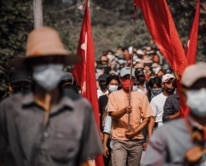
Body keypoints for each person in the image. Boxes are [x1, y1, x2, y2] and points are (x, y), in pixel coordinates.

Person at [0, 26, 102, 166]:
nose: (48, 66)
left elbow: (84, 161)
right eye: (41, 61)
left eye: (54, 61)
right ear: (30, 67)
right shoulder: (9, 109)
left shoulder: (80, 109)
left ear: (62, 64)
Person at [107, 67, 154, 166]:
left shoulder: (141, 96)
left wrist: (135, 132)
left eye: (130, 78)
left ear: (134, 80)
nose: (128, 81)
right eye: (125, 78)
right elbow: (113, 115)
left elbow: (147, 118)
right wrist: (124, 111)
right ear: (120, 80)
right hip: (119, 140)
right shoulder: (114, 95)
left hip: (137, 140)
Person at [99, 74, 120, 166]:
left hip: (117, 130)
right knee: (106, 157)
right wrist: (100, 131)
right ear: (107, 85)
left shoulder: (121, 98)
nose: (114, 86)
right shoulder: (102, 99)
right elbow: (99, 114)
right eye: (112, 84)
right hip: (105, 131)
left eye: (116, 84)